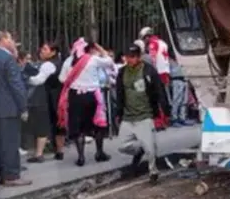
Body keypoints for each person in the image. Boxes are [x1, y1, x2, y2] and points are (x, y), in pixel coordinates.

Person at [115, 44, 170, 184]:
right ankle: (140, 149)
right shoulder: (122, 72)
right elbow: (120, 94)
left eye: (132, 57)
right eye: (127, 57)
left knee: (151, 150)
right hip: (128, 116)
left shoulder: (148, 70)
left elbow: (159, 91)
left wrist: (165, 110)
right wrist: (118, 113)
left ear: (138, 57)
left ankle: (153, 172)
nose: (129, 59)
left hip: (144, 115)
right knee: (122, 146)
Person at [0, 31, 31, 186]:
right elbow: (16, 85)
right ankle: (11, 176)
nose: (12, 41)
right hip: (10, 107)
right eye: (10, 38)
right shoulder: (8, 59)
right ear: (2, 40)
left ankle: (1, 172)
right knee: (11, 143)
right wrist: (23, 106)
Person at [57, 37, 115, 166]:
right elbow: (110, 62)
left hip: (75, 97)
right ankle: (99, 153)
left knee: (78, 128)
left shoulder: (69, 61)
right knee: (98, 126)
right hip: (92, 96)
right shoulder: (93, 59)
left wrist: (74, 80)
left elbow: (62, 79)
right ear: (89, 49)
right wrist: (101, 48)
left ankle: (81, 157)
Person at [25, 43, 61, 163]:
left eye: (45, 49)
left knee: (42, 125)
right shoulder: (58, 62)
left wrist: (24, 78)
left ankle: (39, 154)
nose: (41, 50)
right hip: (55, 97)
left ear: (53, 52)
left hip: (45, 98)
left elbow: (38, 81)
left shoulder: (48, 64)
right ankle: (57, 150)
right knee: (55, 124)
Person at [168, 55, 193, 126]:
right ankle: (174, 119)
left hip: (184, 80)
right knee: (176, 100)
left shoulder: (182, 58)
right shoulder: (169, 60)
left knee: (184, 100)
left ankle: (183, 118)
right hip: (176, 80)